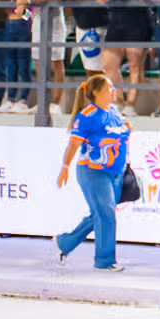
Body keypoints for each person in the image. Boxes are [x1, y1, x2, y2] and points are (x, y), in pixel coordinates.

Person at [54, 74, 131, 273]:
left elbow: (119, 136)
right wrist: (64, 168)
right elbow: (73, 145)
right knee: (106, 214)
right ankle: (104, 260)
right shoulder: (87, 116)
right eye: (109, 88)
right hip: (93, 171)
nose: (114, 91)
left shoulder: (113, 111)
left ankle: (65, 243)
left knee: (100, 213)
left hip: (114, 171)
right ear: (97, 92)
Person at [96, 0, 153, 110]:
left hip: (137, 24)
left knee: (135, 65)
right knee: (108, 65)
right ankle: (119, 99)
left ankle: (131, 104)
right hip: (116, 23)